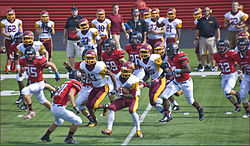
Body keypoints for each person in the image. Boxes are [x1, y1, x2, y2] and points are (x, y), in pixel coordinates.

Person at [161, 43, 204, 121]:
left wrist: (176, 70)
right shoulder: (169, 58)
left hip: (186, 83)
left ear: (174, 51)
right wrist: (169, 79)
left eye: (170, 51)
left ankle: (200, 109)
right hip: (176, 82)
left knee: (190, 101)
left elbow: (188, 70)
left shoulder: (181, 56)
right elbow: (173, 72)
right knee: (164, 96)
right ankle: (167, 115)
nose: (168, 53)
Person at [101, 62, 143, 138]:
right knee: (111, 107)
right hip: (123, 98)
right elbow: (117, 88)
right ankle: (109, 129)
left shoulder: (134, 80)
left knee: (132, 111)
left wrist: (122, 93)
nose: (124, 73)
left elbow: (132, 96)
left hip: (132, 98)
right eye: (123, 70)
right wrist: (116, 91)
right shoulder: (118, 76)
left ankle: (138, 130)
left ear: (131, 71)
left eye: (126, 71)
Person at [41, 70, 82, 144]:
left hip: (53, 106)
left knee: (59, 122)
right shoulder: (76, 83)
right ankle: (69, 138)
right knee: (78, 121)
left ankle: (46, 136)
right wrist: (74, 106)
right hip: (59, 108)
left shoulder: (66, 82)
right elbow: (70, 94)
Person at [19, 46, 60, 119]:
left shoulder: (39, 60)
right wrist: (21, 72)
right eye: (28, 55)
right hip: (33, 83)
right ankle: (57, 113)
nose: (30, 56)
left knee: (24, 91)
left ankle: (31, 111)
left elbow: (51, 64)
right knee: (43, 101)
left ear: (34, 54)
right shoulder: (23, 60)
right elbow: (21, 72)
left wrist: (56, 74)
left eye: (31, 54)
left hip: (39, 83)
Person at [79, 49, 117, 126]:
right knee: (89, 105)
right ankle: (94, 121)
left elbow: (111, 74)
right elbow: (81, 73)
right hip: (95, 87)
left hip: (103, 88)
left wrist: (115, 87)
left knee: (94, 105)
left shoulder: (99, 67)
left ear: (95, 58)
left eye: (91, 58)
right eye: (88, 58)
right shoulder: (82, 65)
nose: (89, 60)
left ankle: (107, 106)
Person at [138, 43, 172, 122]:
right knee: (152, 102)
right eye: (142, 52)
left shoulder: (154, 58)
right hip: (154, 80)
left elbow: (166, 69)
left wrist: (159, 78)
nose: (143, 54)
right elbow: (147, 74)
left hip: (161, 79)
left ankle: (167, 106)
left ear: (149, 52)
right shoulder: (141, 61)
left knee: (154, 98)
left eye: (145, 52)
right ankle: (165, 114)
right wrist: (142, 81)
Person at [213, 39, 241, 112]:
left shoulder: (230, 53)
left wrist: (239, 69)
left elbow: (238, 60)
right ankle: (237, 106)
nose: (221, 47)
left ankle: (237, 94)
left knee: (227, 90)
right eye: (219, 46)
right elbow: (219, 63)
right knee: (227, 94)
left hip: (232, 75)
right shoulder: (216, 55)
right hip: (224, 76)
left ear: (226, 46)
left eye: (222, 46)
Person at [153, 42, 182, 111]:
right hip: (164, 75)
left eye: (159, 49)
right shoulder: (154, 57)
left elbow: (171, 68)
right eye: (156, 50)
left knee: (177, 93)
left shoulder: (168, 56)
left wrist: (169, 78)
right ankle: (175, 104)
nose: (158, 52)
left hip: (171, 74)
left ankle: (182, 89)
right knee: (165, 91)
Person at [194, 6, 220, 72]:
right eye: (205, 11)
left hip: (211, 38)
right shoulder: (201, 20)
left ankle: (213, 66)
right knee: (203, 53)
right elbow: (197, 29)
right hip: (202, 38)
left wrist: (218, 37)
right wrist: (196, 38)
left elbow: (217, 28)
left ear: (210, 11)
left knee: (212, 53)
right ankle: (202, 66)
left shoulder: (213, 19)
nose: (206, 12)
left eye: (207, 10)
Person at [1, 9, 23, 73]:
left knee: (17, 54)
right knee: (8, 54)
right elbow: (3, 32)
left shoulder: (18, 21)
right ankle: (8, 68)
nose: (11, 16)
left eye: (12, 14)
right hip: (8, 40)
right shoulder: (4, 22)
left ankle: (18, 68)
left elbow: (20, 31)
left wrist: (18, 36)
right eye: (9, 14)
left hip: (16, 40)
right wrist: (9, 36)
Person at [233, 38, 250, 118]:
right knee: (243, 95)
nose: (242, 46)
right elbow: (239, 66)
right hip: (247, 76)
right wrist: (240, 75)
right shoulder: (237, 56)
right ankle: (247, 112)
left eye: (244, 45)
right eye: (241, 45)